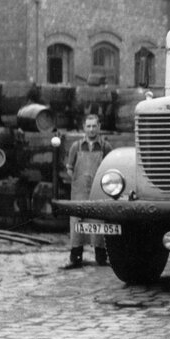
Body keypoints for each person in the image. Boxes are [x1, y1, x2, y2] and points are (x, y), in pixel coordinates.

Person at [62, 114, 113, 269]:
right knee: (77, 224)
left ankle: (101, 257)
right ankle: (75, 258)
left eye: (94, 126)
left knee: (99, 224)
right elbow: (70, 169)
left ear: (99, 127)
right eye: (88, 126)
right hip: (79, 193)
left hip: (98, 192)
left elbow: (111, 171)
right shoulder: (76, 147)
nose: (91, 129)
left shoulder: (105, 147)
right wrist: (81, 181)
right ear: (84, 127)